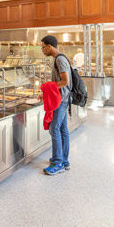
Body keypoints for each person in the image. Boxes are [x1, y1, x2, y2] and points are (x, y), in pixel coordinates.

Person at [40, 35, 72, 175]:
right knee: (62, 129)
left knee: (54, 129)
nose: (42, 50)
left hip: (61, 100)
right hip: (62, 98)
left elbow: (65, 81)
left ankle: (58, 162)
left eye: (43, 47)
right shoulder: (58, 59)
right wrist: (47, 92)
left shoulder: (60, 59)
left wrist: (48, 88)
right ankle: (63, 160)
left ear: (50, 46)